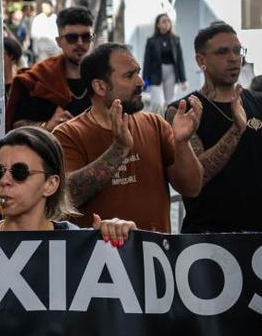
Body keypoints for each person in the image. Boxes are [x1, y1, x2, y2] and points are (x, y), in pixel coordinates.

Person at [166, 22, 262, 233]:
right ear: (201, 60)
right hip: (208, 238)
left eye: (237, 50)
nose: (233, 58)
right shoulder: (183, 111)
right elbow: (196, 180)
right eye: (222, 52)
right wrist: (236, 130)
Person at [54, 43, 203, 233]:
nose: (140, 82)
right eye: (129, 76)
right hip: (97, 258)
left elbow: (192, 188)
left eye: (138, 73)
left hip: (153, 256)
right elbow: (66, 196)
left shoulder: (155, 124)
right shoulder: (68, 134)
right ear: (100, 86)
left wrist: (183, 143)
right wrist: (119, 149)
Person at [0, 126, 135, 245]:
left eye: (19, 172)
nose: (4, 181)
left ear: (51, 184)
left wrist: (125, 236)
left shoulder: (76, 243)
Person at [7, 6, 95, 131]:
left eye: (86, 37)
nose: (80, 43)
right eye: (72, 38)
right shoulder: (41, 78)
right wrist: (47, 126)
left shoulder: (104, 76)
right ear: (59, 41)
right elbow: (17, 126)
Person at [141, 13, 187, 112]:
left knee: (170, 102)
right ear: (158, 25)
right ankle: (157, 124)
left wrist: (183, 79)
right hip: (155, 73)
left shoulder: (175, 40)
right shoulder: (151, 41)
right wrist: (145, 80)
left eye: (168, 21)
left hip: (171, 73)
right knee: (157, 102)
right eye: (163, 21)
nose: (166, 23)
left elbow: (179, 60)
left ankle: (168, 124)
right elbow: (147, 61)